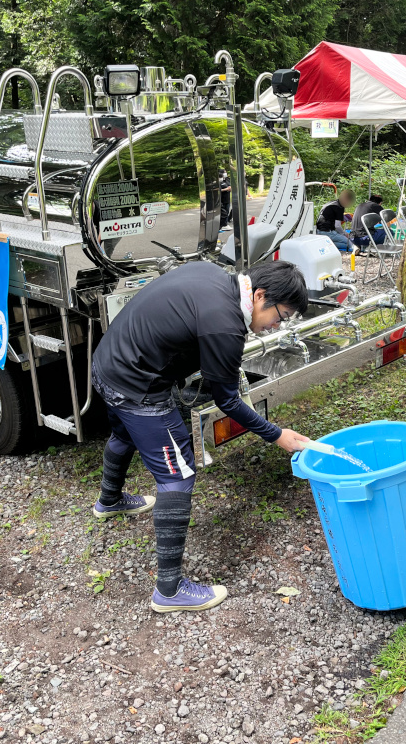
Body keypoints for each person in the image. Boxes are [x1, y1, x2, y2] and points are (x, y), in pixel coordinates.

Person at [90, 260, 310, 612]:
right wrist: (276, 434)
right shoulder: (225, 323)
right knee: (178, 473)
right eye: (280, 316)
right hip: (136, 386)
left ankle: (110, 500)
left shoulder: (215, 276)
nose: (275, 326)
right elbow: (226, 399)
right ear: (260, 295)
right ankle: (169, 590)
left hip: (106, 364)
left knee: (125, 433)